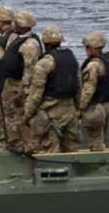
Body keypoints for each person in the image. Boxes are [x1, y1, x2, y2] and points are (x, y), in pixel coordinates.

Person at [23, 25, 80, 153]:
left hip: (51, 112)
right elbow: (78, 85)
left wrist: (27, 115)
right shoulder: (71, 58)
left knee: (50, 150)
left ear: (45, 43)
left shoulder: (44, 63)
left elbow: (35, 94)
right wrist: (78, 108)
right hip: (70, 110)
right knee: (72, 149)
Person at [0, 10, 42, 153]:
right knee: (9, 114)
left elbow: (29, 69)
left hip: (19, 84)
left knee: (20, 115)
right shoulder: (17, 39)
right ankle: (13, 142)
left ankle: (26, 145)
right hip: (11, 82)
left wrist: (24, 90)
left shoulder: (30, 44)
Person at [78, 31, 109, 152]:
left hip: (96, 107)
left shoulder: (93, 65)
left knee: (95, 141)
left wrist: (80, 109)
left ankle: (98, 166)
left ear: (91, 48)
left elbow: (88, 90)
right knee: (104, 139)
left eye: (86, 47)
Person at [0, 4, 16, 146]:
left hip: (9, 82)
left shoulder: (11, 37)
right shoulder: (5, 36)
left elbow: (7, 59)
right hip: (3, 81)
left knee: (7, 115)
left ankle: (9, 142)